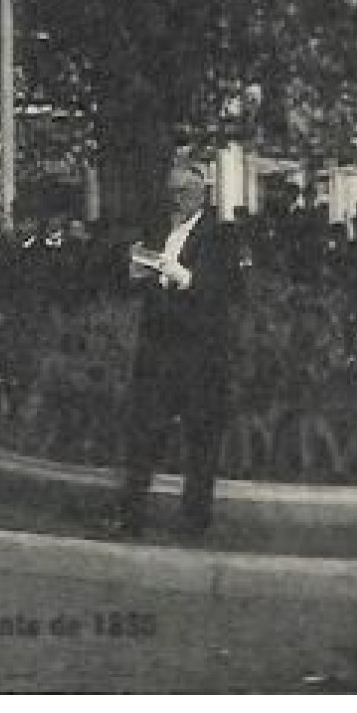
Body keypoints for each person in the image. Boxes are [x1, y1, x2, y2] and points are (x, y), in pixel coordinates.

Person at [111, 162, 242, 540]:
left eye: (183, 192)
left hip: (198, 355)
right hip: (157, 352)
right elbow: (143, 285)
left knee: (200, 439)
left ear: (201, 194)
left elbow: (225, 289)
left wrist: (181, 275)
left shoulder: (219, 235)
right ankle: (130, 515)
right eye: (172, 192)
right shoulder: (159, 230)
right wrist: (137, 273)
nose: (175, 199)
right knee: (143, 435)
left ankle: (194, 520)